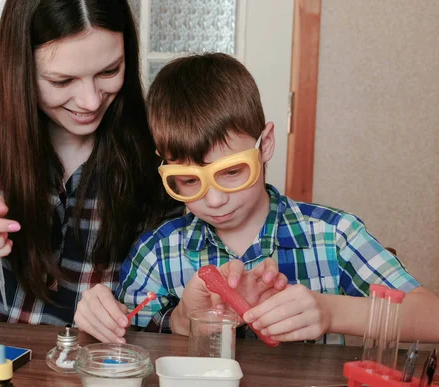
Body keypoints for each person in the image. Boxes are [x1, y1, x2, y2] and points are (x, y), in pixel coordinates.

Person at [84, 52, 439, 345]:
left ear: (265, 145)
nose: (215, 199)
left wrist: (332, 312)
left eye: (232, 172)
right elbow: (125, 342)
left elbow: (432, 317)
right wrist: (182, 319)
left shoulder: (333, 235)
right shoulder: (158, 252)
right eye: (188, 181)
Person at [0, 0, 179, 327]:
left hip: (89, 365)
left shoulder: (155, 141)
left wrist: (135, 314)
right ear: (21, 68)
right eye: (62, 81)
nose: (91, 101)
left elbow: (166, 309)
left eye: (109, 71)